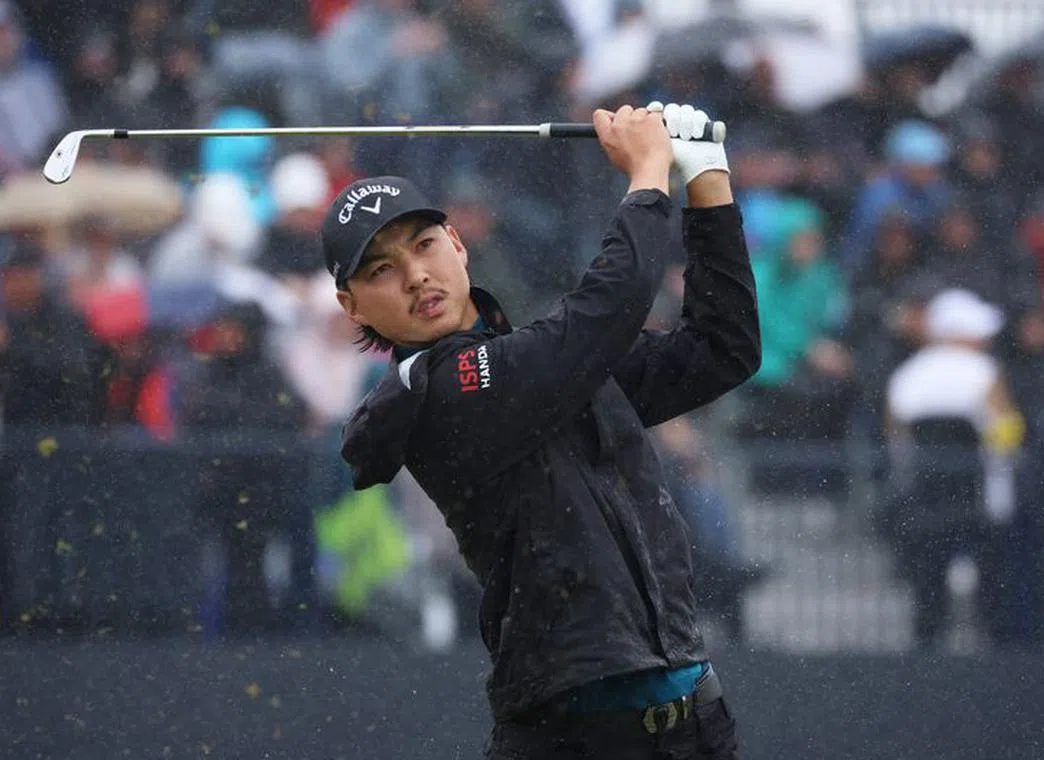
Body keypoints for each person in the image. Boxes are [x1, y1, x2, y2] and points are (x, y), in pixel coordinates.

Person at [321, 101, 759, 759]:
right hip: (571, 738)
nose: (415, 276)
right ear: (352, 305)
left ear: (458, 244)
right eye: (380, 269)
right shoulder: (436, 391)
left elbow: (723, 346)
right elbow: (600, 316)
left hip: (695, 725)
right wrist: (647, 176)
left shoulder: (546, 362)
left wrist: (707, 180)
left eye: (423, 245)